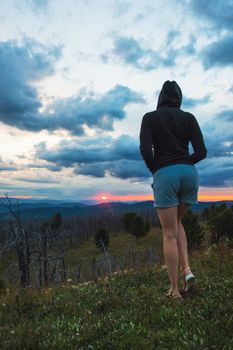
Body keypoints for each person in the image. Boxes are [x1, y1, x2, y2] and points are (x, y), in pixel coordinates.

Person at [139, 80, 207, 299]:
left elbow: (145, 149)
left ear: (161, 97)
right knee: (177, 223)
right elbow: (202, 151)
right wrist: (185, 162)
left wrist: (156, 168)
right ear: (179, 97)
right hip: (189, 174)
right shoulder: (189, 118)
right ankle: (187, 271)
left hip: (165, 173)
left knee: (168, 233)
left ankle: (174, 290)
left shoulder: (150, 118)